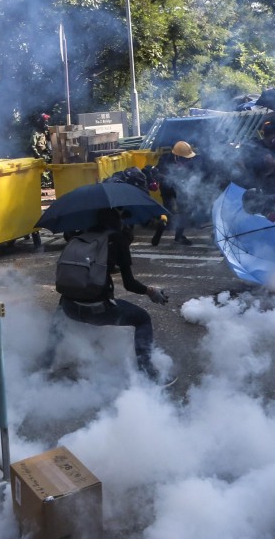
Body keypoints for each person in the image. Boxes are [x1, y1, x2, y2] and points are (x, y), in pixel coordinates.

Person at [57, 207, 174, 384]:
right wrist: (151, 291)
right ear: (115, 220)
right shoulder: (116, 239)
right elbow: (129, 284)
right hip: (97, 311)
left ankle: (47, 359)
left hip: (68, 308)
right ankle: (148, 372)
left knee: (60, 309)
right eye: (121, 216)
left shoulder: (77, 237)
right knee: (142, 319)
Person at [153, 140, 202, 246]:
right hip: (167, 188)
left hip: (181, 188)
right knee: (167, 211)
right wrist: (169, 179)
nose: (186, 159)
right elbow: (157, 174)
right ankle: (160, 229)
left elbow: (191, 173)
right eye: (184, 157)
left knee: (184, 211)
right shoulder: (165, 160)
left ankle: (179, 236)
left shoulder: (189, 160)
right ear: (177, 155)